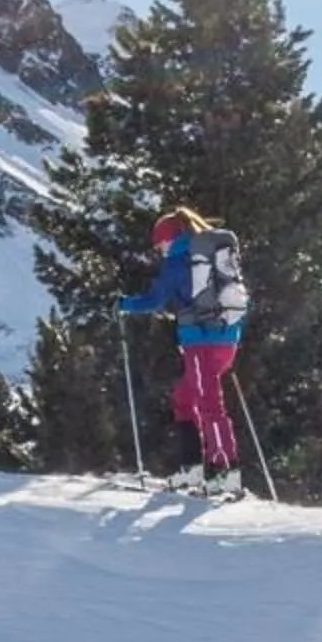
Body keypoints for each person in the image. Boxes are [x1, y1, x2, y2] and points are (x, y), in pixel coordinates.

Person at [119, 209, 247, 498]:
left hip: (200, 343)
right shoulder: (209, 255)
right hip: (225, 341)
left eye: (159, 244)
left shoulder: (178, 261)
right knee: (184, 398)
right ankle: (193, 468)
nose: (158, 250)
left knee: (209, 405)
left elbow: (155, 299)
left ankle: (223, 471)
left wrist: (124, 304)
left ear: (170, 238)